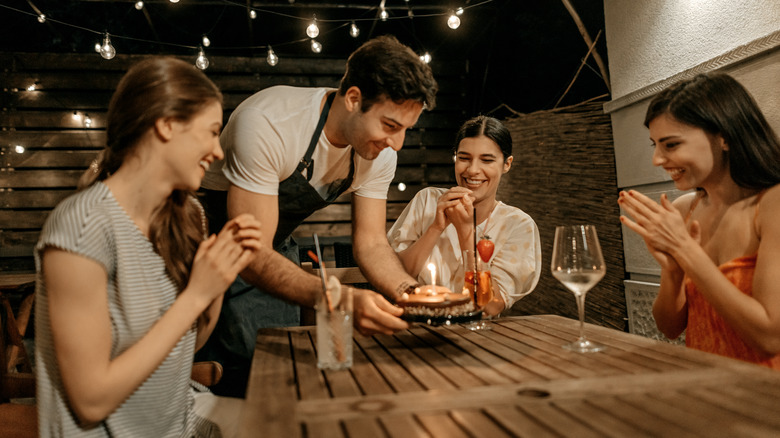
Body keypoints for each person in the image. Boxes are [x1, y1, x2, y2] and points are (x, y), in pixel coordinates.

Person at [198, 35, 438, 396]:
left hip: (270, 247)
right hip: (198, 244)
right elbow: (248, 249)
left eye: (406, 130)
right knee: (217, 375)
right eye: (390, 126)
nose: (398, 144)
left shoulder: (379, 154)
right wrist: (338, 298)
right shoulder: (269, 123)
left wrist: (417, 297)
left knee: (274, 372)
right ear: (354, 98)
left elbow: (371, 243)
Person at [34, 57, 262, 436]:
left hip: (181, 421)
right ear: (167, 124)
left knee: (289, 419)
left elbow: (183, 350)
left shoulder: (187, 216)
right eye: (211, 132)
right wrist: (195, 294)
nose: (218, 151)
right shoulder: (83, 226)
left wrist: (218, 282)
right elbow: (91, 401)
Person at [618, 72, 780, 369]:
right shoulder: (684, 210)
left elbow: (770, 336)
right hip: (709, 390)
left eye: (671, 145)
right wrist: (674, 272)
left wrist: (685, 250)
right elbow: (669, 327)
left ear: (725, 137)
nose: (657, 160)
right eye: (654, 145)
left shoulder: (773, 203)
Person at [388, 115, 542, 315]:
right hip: (416, 325)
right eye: (464, 158)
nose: (472, 170)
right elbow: (394, 276)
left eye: (487, 160)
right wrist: (436, 227)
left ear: (507, 164)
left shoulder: (519, 225)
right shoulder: (427, 200)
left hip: (478, 336)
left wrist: (466, 233)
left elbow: (491, 306)